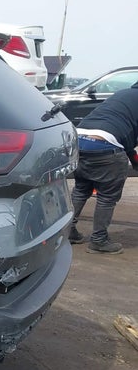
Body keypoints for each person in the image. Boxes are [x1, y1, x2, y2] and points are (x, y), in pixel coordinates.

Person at [69, 82, 138, 254]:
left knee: (81, 190)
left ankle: (67, 231)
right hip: (105, 144)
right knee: (107, 197)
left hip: (79, 140)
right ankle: (99, 240)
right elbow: (128, 137)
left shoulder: (123, 93)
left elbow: (124, 132)